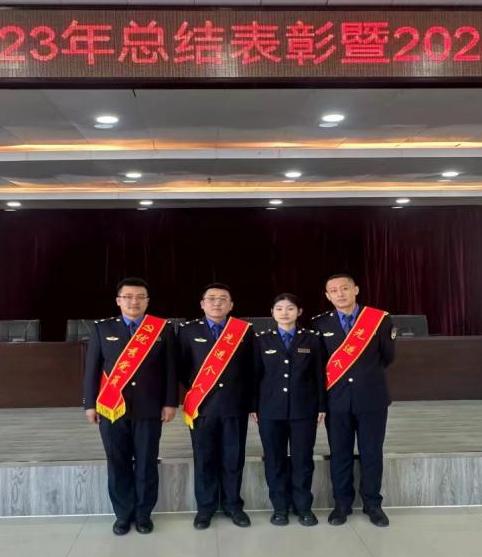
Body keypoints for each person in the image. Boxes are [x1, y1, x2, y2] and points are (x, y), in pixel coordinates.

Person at [83, 277, 178, 536]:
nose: (133, 301)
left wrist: (170, 402)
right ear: (118, 300)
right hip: (112, 407)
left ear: (147, 301)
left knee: (147, 462)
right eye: (128, 296)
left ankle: (144, 514)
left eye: (139, 297)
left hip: (150, 407)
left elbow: (170, 369)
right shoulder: (102, 328)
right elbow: (92, 368)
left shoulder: (162, 329)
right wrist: (90, 404)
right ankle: (123, 515)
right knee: (118, 462)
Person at [312, 273, 395, 528]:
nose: (340, 293)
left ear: (356, 289)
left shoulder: (378, 319)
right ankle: (342, 504)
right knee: (340, 453)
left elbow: (387, 356)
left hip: (371, 399)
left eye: (345, 288)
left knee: (372, 452)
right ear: (327, 296)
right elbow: (319, 366)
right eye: (333, 290)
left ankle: (373, 504)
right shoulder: (320, 323)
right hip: (336, 401)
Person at [178, 282, 255, 530]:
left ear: (231, 305)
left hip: (235, 406)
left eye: (223, 299)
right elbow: (182, 368)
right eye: (211, 298)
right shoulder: (188, 331)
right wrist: (200, 389)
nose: (217, 303)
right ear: (202, 304)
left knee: (233, 458)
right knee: (205, 459)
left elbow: (252, 369)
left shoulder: (244, 331)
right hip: (202, 407)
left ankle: (233, 505)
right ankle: (205, 508)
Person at [251, 293, 326, 527]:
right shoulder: (261, 340)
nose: (284, 313)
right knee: (275, 460)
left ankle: (304, 507)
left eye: (290, 308)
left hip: (304, 410)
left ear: (299, 312)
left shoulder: (311, 339)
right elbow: (254, 376)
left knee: (303, 460)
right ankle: (280, 508)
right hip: (270, 410)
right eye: (279, 308)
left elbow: (319, 375)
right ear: (272, 312)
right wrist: (253, 406)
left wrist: (321, 406)